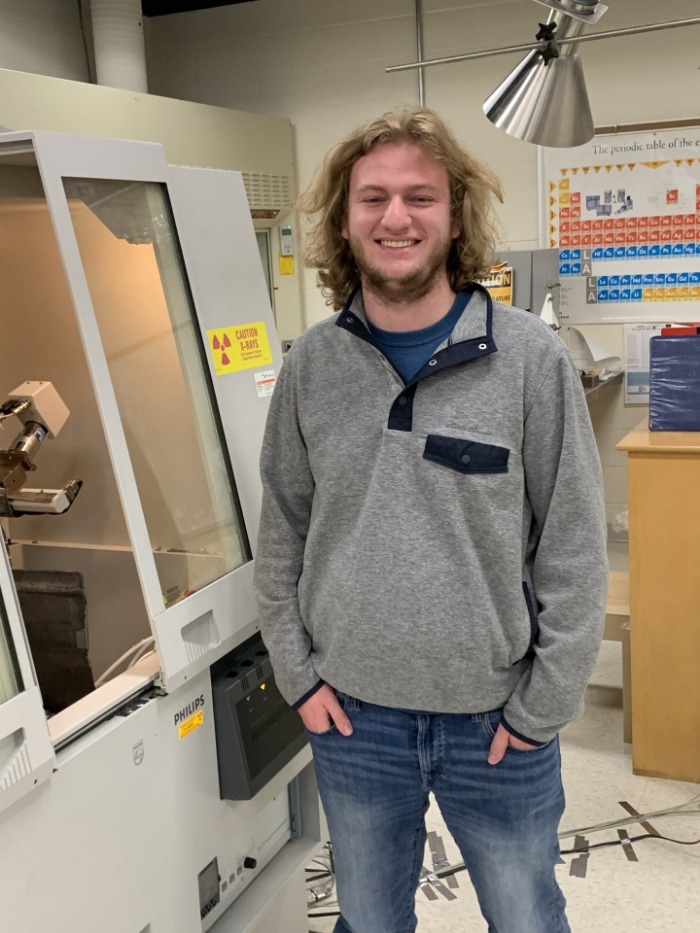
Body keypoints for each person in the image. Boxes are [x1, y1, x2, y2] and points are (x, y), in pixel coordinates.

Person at [254, 107, 608, 933]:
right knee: (371, 921)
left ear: (455, 219)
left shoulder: (529, 360)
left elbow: (574, 548)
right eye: (372, 198)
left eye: (420, 196)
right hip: (352, 718)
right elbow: (282, 533)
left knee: (527, 919)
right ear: (345, 221)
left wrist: (541, 708)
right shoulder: (311, 365)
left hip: (498, 721)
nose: (396, 217)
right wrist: (299, 678)